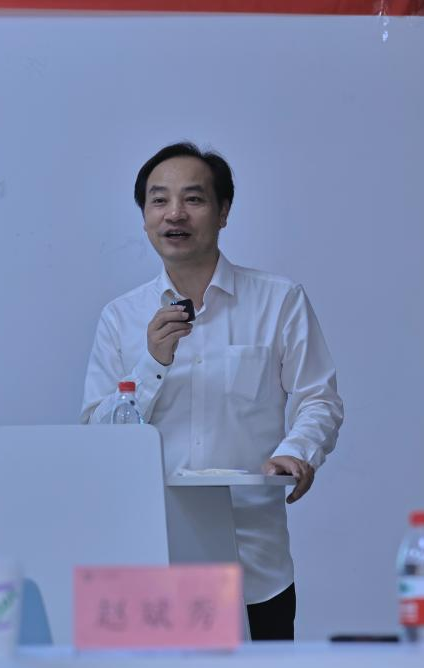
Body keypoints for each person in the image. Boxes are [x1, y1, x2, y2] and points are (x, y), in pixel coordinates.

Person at [80, 142, 343, 640]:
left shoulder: (278, 300)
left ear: (223, 212)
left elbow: (319, 398)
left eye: (193, 199)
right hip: (147, 559)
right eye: (159, 200)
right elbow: (97, 434)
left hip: (254, 560)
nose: (174, 213)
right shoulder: (121, 318)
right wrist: (152, 363)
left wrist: (296, 453)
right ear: (144, 218)